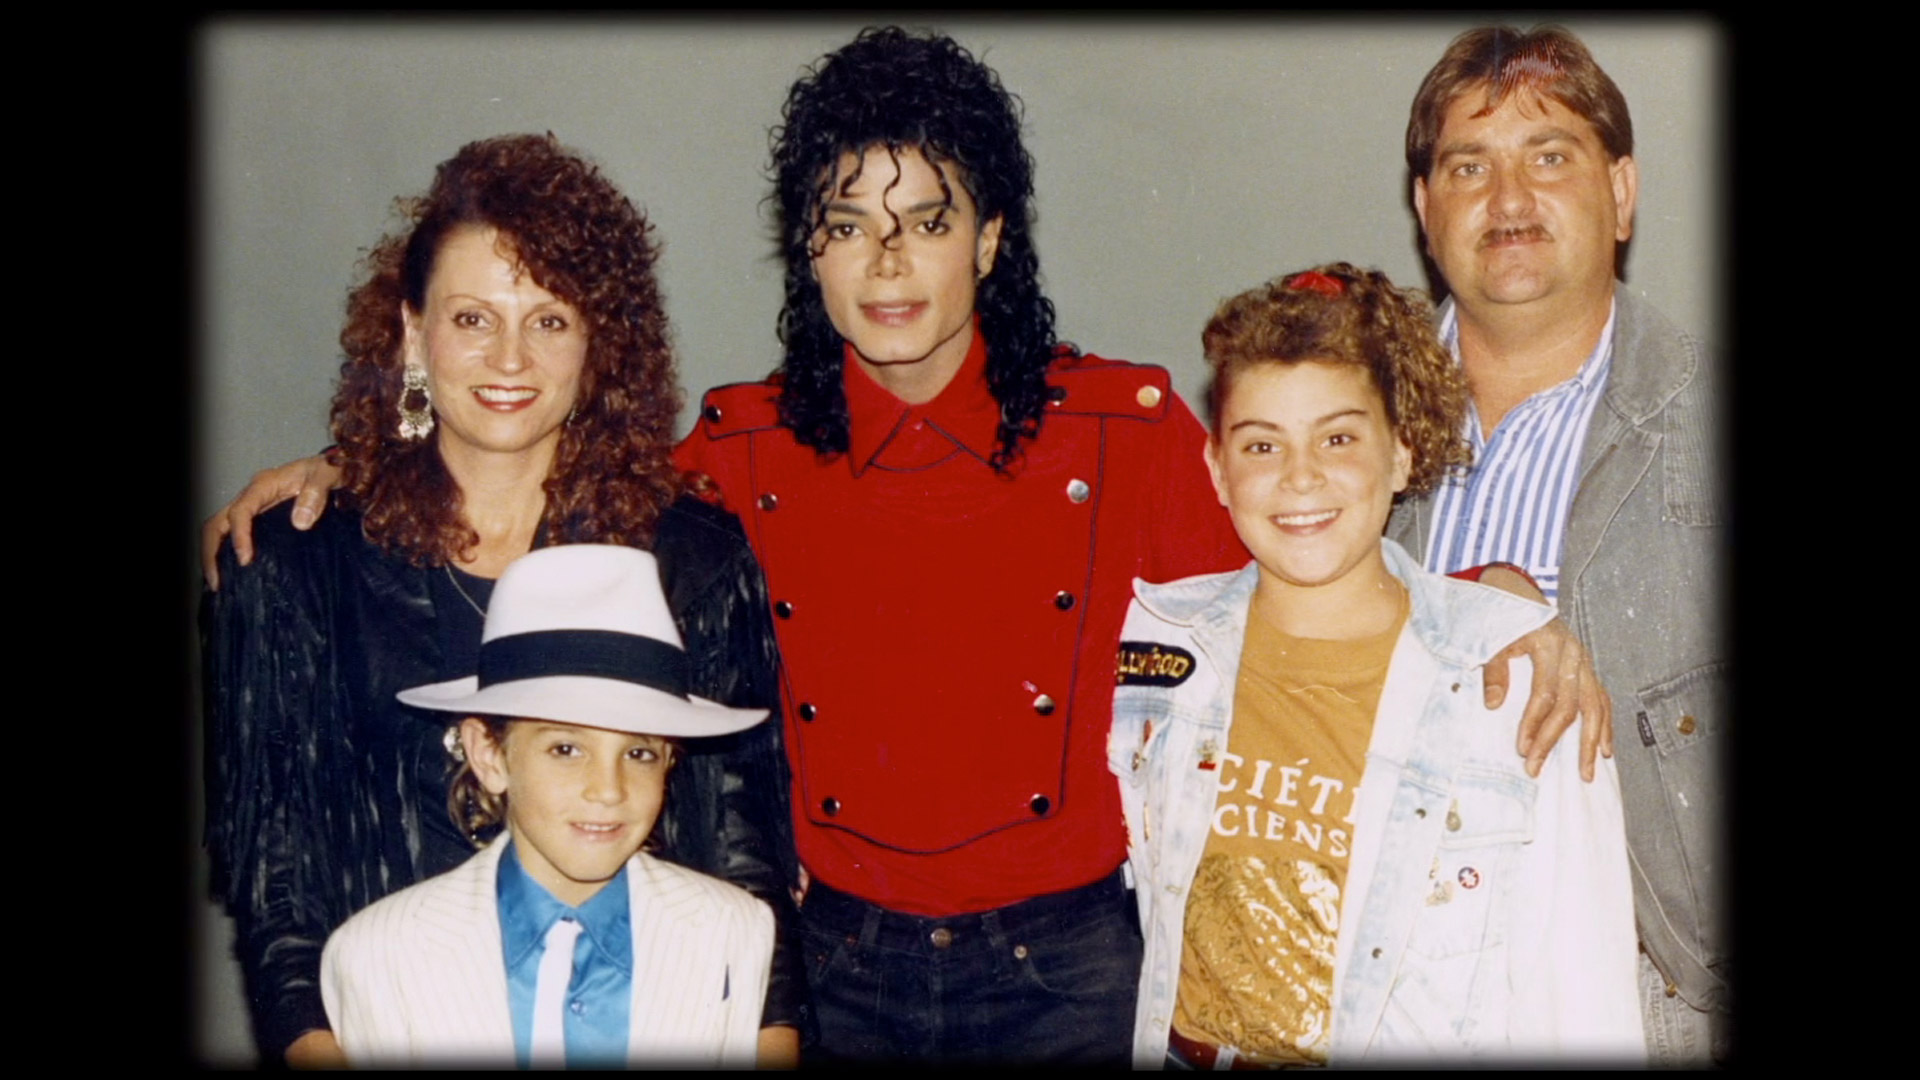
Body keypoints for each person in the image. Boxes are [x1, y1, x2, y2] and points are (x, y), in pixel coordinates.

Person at [204, 27, 1608, 1063]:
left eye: (926, 222)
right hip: (836, 970)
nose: (887, 264)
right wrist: (355, 465)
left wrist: (1490, 609)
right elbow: (544, 473)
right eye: (846, 228)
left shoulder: (1123, 432)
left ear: (989, 240)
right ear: (807, 255)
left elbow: (1304, 566)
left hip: (1069, 967)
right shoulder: (737, 453)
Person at [201, 133, 803, 1067]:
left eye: (550, 320)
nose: (510, 358)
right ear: (412, 334)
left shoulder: (693, 560)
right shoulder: (293, 565)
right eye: (473, 318)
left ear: (597, 344)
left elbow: (746, 862)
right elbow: (278, 884)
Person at [1114, 265, 1641, 1067]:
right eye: (1262, 444)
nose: (1300, 477)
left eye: (1338, 438)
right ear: (1217, 470)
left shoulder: (1514, 681)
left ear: (1401, 453)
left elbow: (1584, 997)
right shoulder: (1159, 643)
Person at [1393, 26, 1727, 1063]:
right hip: (1396, 986)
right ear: (1425, 209)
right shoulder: (1335, 432)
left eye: (1549, 156)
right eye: (1469, 166)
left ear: (1621, 192)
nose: (1508, 199)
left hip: (1657, 1004)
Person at [321, 545, 774, 1067]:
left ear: (670, 761)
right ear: (489, 755)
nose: (608, 790)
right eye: (565, 749)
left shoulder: (731, 931)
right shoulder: (378, 954)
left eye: (639, 753)